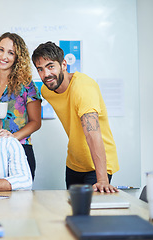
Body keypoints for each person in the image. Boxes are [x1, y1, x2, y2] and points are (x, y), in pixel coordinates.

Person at [31, 41, 119, 193]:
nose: (46, 74)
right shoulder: (46, 90)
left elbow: (92, 133)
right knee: (73, 211)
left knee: (90, 213)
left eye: (51, 66)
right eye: (40, 69)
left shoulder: (83, 88)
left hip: (97, 166)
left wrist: (102, 179)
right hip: (74, 163)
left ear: (63, 64)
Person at [0, 32, 42, 179]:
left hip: (20, 149)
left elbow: (36, 122)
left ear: (17, 58)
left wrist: (13, 138)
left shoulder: (27, 86)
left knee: (20, 200)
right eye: (1, 50)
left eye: (11, 53)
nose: (4, 56)